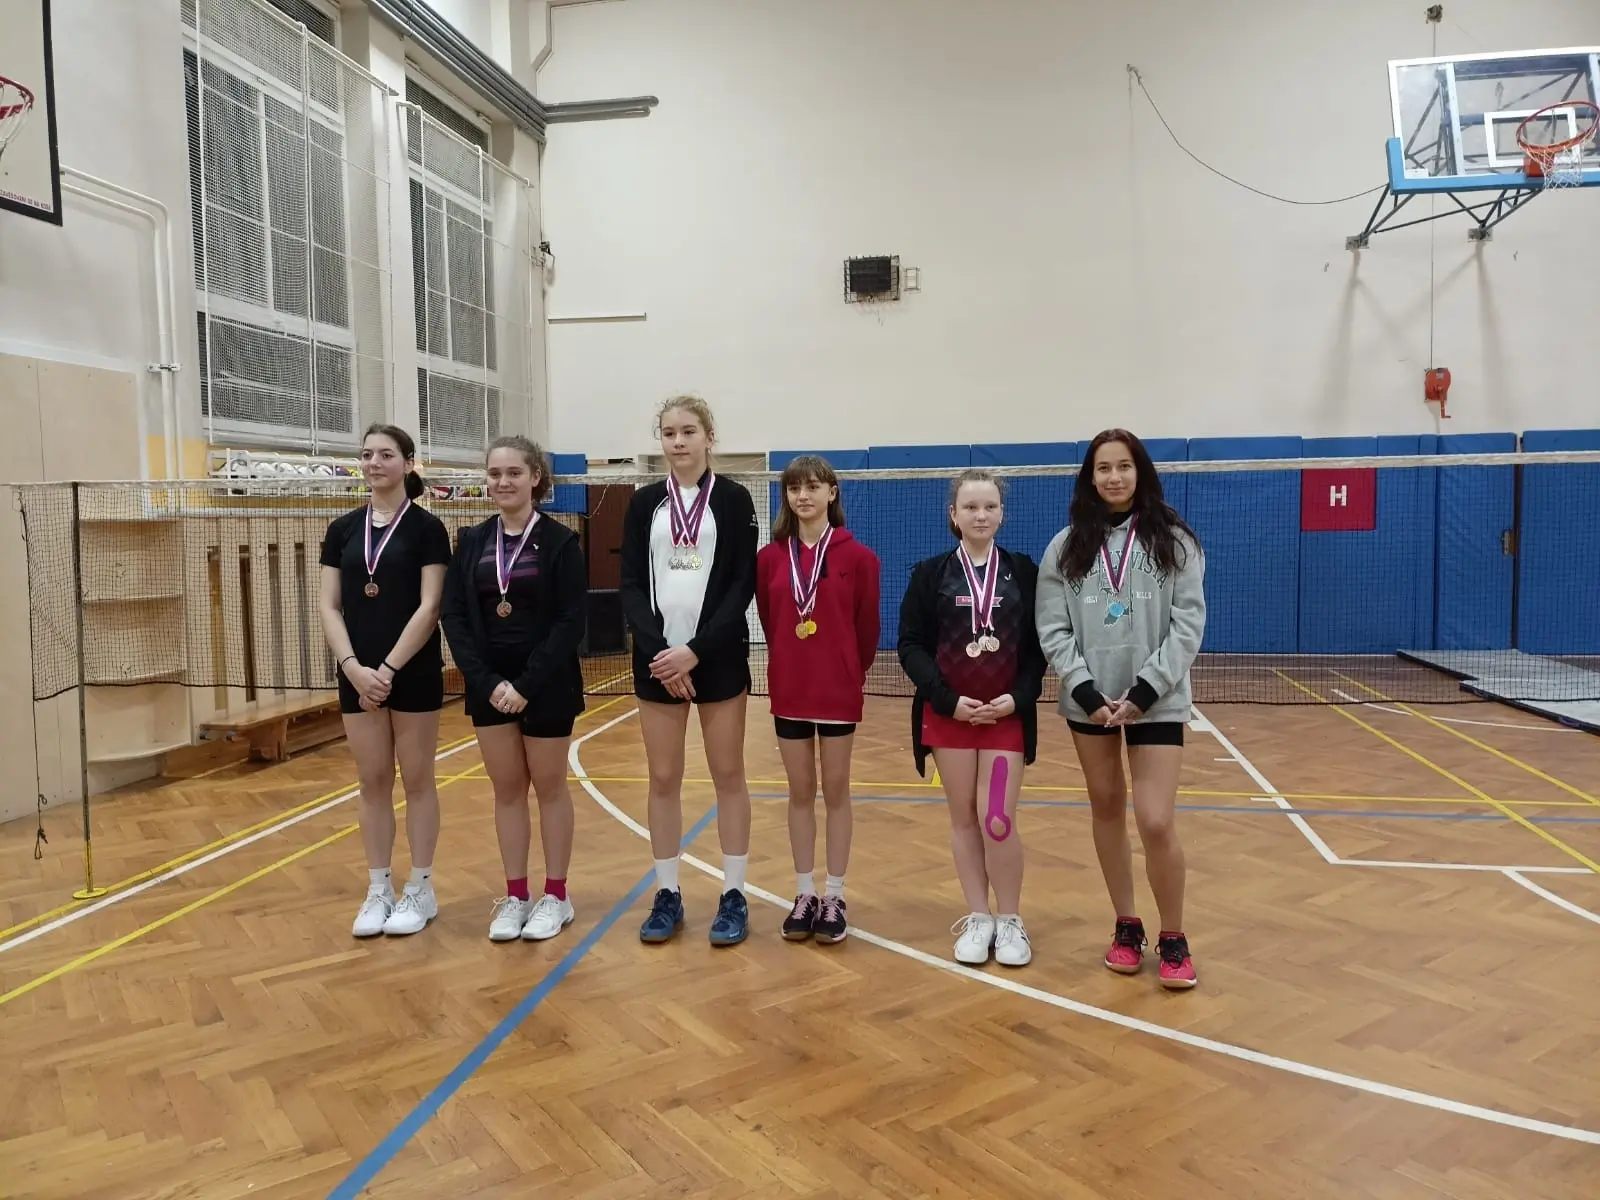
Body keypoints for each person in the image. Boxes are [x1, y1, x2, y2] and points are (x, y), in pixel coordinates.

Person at [1035, 428, 1207, 990]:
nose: (1113, 477)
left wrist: (1145, 691)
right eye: (1103, 468)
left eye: (1123, 467)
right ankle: (1127, 925)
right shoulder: (1065, 547)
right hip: (1090, 703)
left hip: (1156, 702)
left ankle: (1174, 935)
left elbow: (1188, 624)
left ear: (1140, 473)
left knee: (1155, 820)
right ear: (1090, 477)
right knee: (1107, 808)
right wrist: (1084, 689)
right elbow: (1052, 627)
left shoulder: (1176, 542)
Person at [620, 395, 760, 947]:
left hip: (717, 656)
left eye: (688, 431)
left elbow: (741, 584)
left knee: (729, 775)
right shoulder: (644, 503)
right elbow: (632, 584)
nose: (677, 442)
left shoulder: (733, 499)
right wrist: (662, 653)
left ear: (708, 436)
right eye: (669, 433)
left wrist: (695, 651)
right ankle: (667, 893)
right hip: (656, 661)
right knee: (662, 779)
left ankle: (734, 895)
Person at [440, 435, 588, 943]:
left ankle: (557, 896)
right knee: (506, 792)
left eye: (513, 473)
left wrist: (525, 685)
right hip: (490, 686)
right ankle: (516, 896)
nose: (503, 482)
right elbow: (454, 616)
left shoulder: (562, 542)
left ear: (535, 478)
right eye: (495, 474)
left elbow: (570, 621)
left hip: (546, 684)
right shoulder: (472, 542)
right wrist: (486, 682)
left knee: (549, 788)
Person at [898, 469, 1046, 968]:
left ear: (1002, 513)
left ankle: (1011, 919)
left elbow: (1038, 650)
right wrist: (946, 700)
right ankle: (979, 916)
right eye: (970, 507)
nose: (980, 515)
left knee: (996, 820)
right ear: (953, 514)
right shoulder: (930, 574)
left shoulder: (1024, 573)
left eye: (989, 507)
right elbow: (911, 646)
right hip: (950, 718)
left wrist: (1017, 698)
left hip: (1005, 718)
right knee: (963, 819)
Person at [319, 424, 452, 938]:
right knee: (372, 781)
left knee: (417, 780)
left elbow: (430, 606)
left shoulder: (427, 529)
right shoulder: (342, 530)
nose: (374, 463)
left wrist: (390, 669)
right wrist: (353, 668)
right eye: (367, 454)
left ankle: (421, 887)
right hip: (358, 674)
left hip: (411, 671)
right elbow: (329, 606)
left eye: (386, 454)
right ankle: (379, 888)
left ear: (408, 463)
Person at [755, 454, 881, 945]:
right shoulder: (770, 558)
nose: (803, 496)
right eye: (794, 488)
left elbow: (867, 627)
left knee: (836, 790)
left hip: (838, 690)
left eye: (812, 486)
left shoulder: (859, 557)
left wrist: (848, 669)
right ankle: (805, 892)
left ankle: (835, 895)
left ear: (832, 492)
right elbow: (770, 619)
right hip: (790, 689)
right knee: (800, 792)